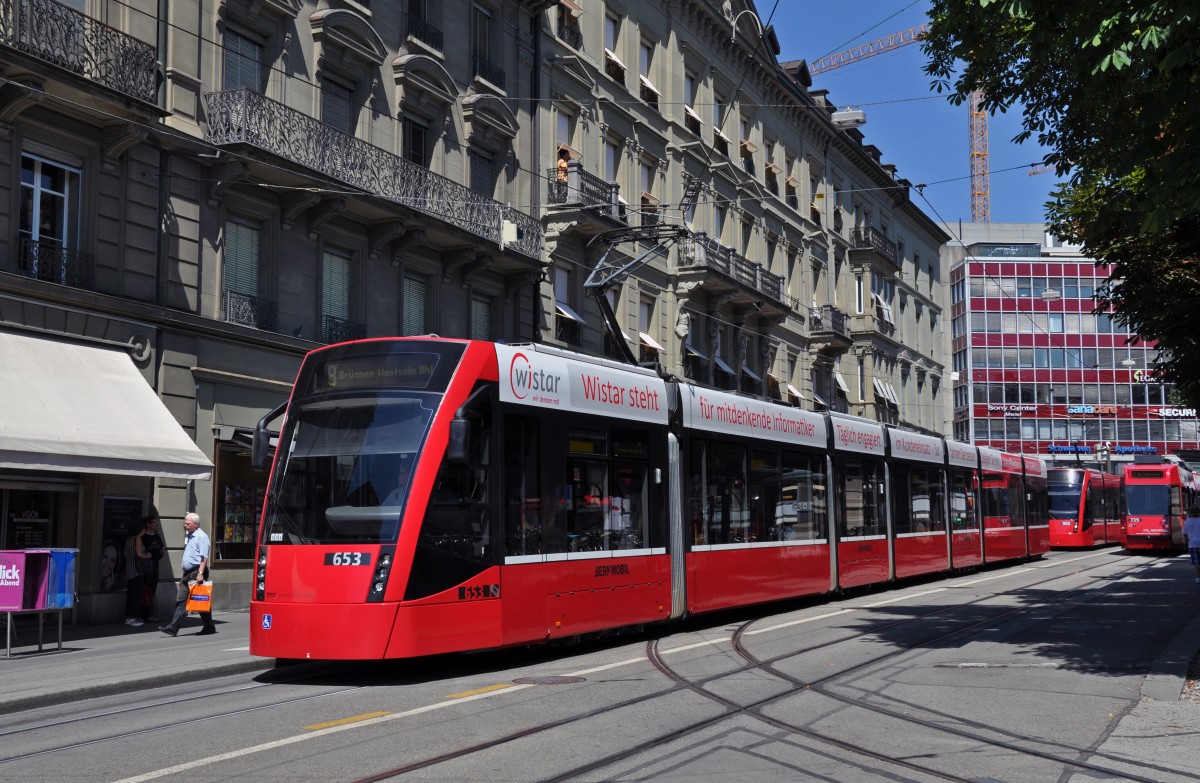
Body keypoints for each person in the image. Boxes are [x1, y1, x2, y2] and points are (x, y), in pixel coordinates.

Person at [159, 513, 216, 636]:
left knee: (200, 600)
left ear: (196, 524)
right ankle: (173, 627)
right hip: (188, 573)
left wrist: (200, 573)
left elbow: (204, 558)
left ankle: (209, 626)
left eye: (188, 524)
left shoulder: (202, 536)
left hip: (197, 571)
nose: (185, 526)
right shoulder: (190, 535)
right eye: (185, 523)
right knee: (181, 600)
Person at [1184, 504, 1200, 585]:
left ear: (1190, 513)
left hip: (1192, 544)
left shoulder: (1187, 522)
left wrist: (1187, 542)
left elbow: (1185, 534)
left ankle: (1198, 578)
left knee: (1196, 562)